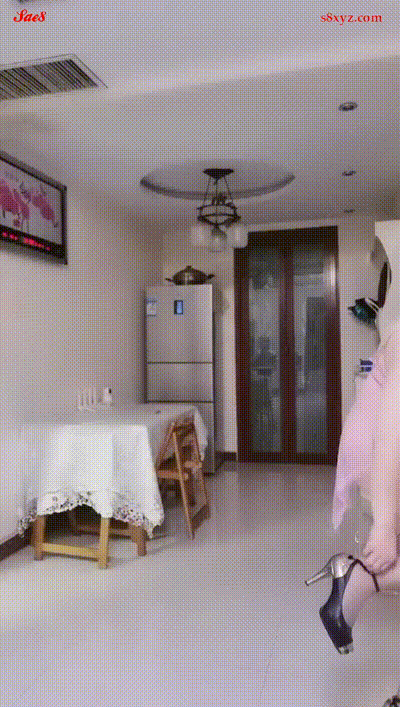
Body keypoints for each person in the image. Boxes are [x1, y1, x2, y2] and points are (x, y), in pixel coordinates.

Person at [306, 315, 400, 707]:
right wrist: (385, 523)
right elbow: (391, 434)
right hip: (384, 452)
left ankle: (357, 580)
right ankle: (360, 579)